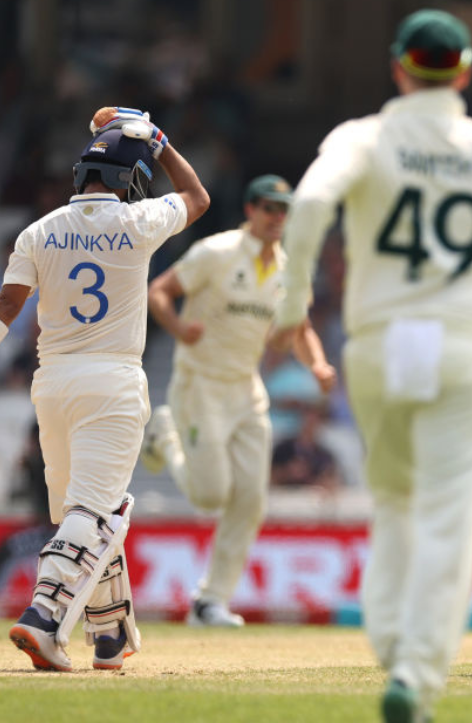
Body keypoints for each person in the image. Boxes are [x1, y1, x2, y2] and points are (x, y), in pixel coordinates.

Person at [270, 10, 472, 723]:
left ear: (399, 66)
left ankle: (390, 641)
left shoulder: (363, 137)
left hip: (378, 344)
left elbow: (308, 204)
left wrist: (292, 301)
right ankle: (413, 670)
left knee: (395, 500)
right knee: (447, 513)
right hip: (461, 346)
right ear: (465, 72)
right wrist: (467, 294)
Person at [0, 107, 209, 671]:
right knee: (95, 514)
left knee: (90, 512)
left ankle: (110, 633)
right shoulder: (140, 222)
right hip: (111, 384)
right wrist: (159, 140)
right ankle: (45, 618)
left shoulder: (37, 232)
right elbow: (197, 197)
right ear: (129, 179)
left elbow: (6, 306)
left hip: (53, 387)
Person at [141, 174, 337, 627]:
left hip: (246, 391)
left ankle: (209, 601)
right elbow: (159, 292)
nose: (277, 217)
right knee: (211, 495)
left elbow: (300, 328)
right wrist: (178, 328)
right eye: (269, 207)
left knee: (250, 500)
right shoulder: (217, 252)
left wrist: (319, 366)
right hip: (199, 385)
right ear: (251, 210)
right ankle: (165, 434)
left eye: (284, 210)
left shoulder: (292, 270)